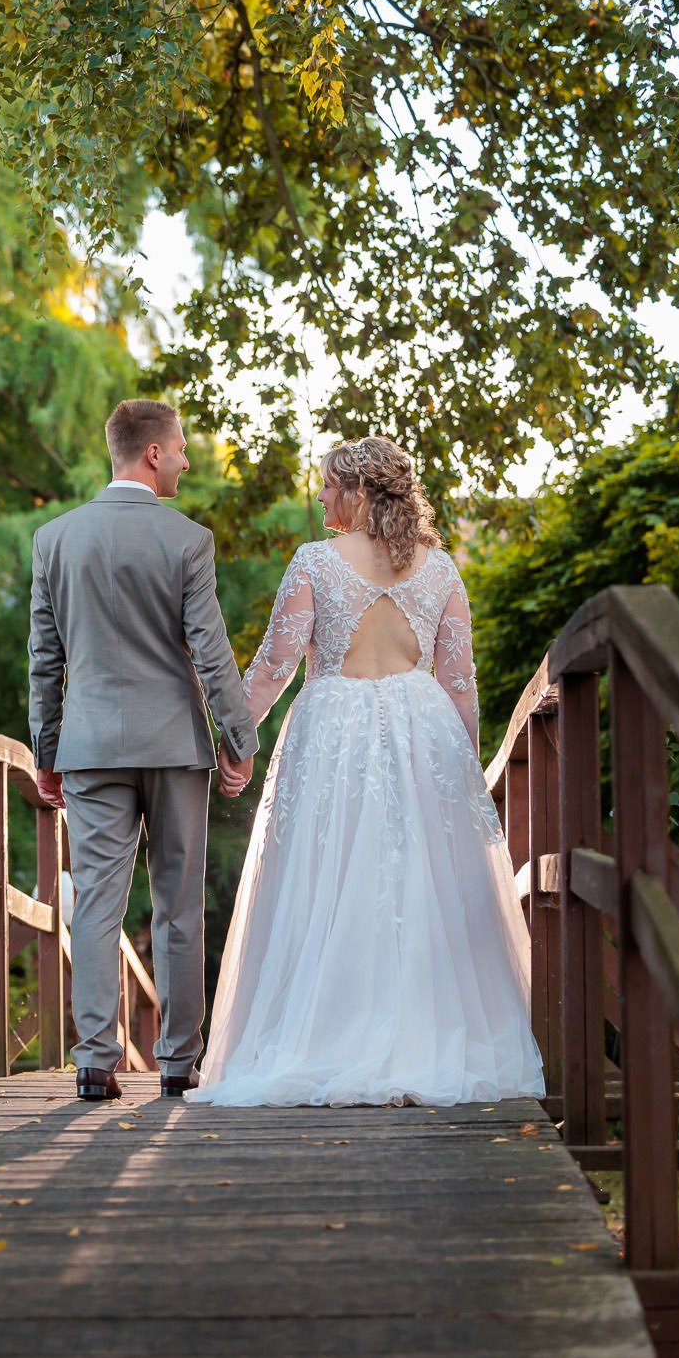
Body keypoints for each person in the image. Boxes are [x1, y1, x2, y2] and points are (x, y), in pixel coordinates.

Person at [189, 435, 544, 1108]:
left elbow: (273, 666)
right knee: (414, 887)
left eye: (326, 484)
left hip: (333, 735)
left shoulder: (315, 562)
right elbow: (460, 683)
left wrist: (237, 740)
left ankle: (329, 1035)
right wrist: (465, 776)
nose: (319, 496)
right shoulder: (441, 569)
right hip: (423, 731)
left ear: (355, 490)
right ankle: (422, 1039)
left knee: (322, 885)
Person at [27, 399, 257, 1102]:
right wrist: (239, 738)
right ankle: (177, 1064)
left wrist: (47, 747)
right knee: (178, 904)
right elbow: (211, 652)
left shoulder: (55, 539)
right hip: (173, 744)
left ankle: (95, 1061)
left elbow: (45, 657)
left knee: (95, 901)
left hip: (90, 745)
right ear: (152, 452)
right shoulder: (188, 540)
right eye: (181, 448)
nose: (186, 460)